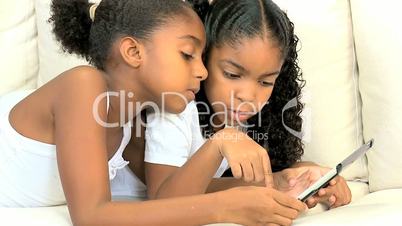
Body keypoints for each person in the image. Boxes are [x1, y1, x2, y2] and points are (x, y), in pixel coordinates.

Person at [0, 0, 307, 225]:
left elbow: (167, 194)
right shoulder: (84, 85)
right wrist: (226, 207)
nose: (201, 72)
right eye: (187, 55)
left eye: (202, 58)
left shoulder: (138, 119)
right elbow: (91, 216)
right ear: (133, 52)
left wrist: (277, 183)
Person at [145, 0, 352, 213]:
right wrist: (220, 142)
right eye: (232, 75)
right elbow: (162, 201)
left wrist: (300, 176)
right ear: (204, 58)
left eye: (265, 82)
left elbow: (209, 185)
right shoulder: (176, 108)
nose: (248, 96)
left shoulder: (243, 117)